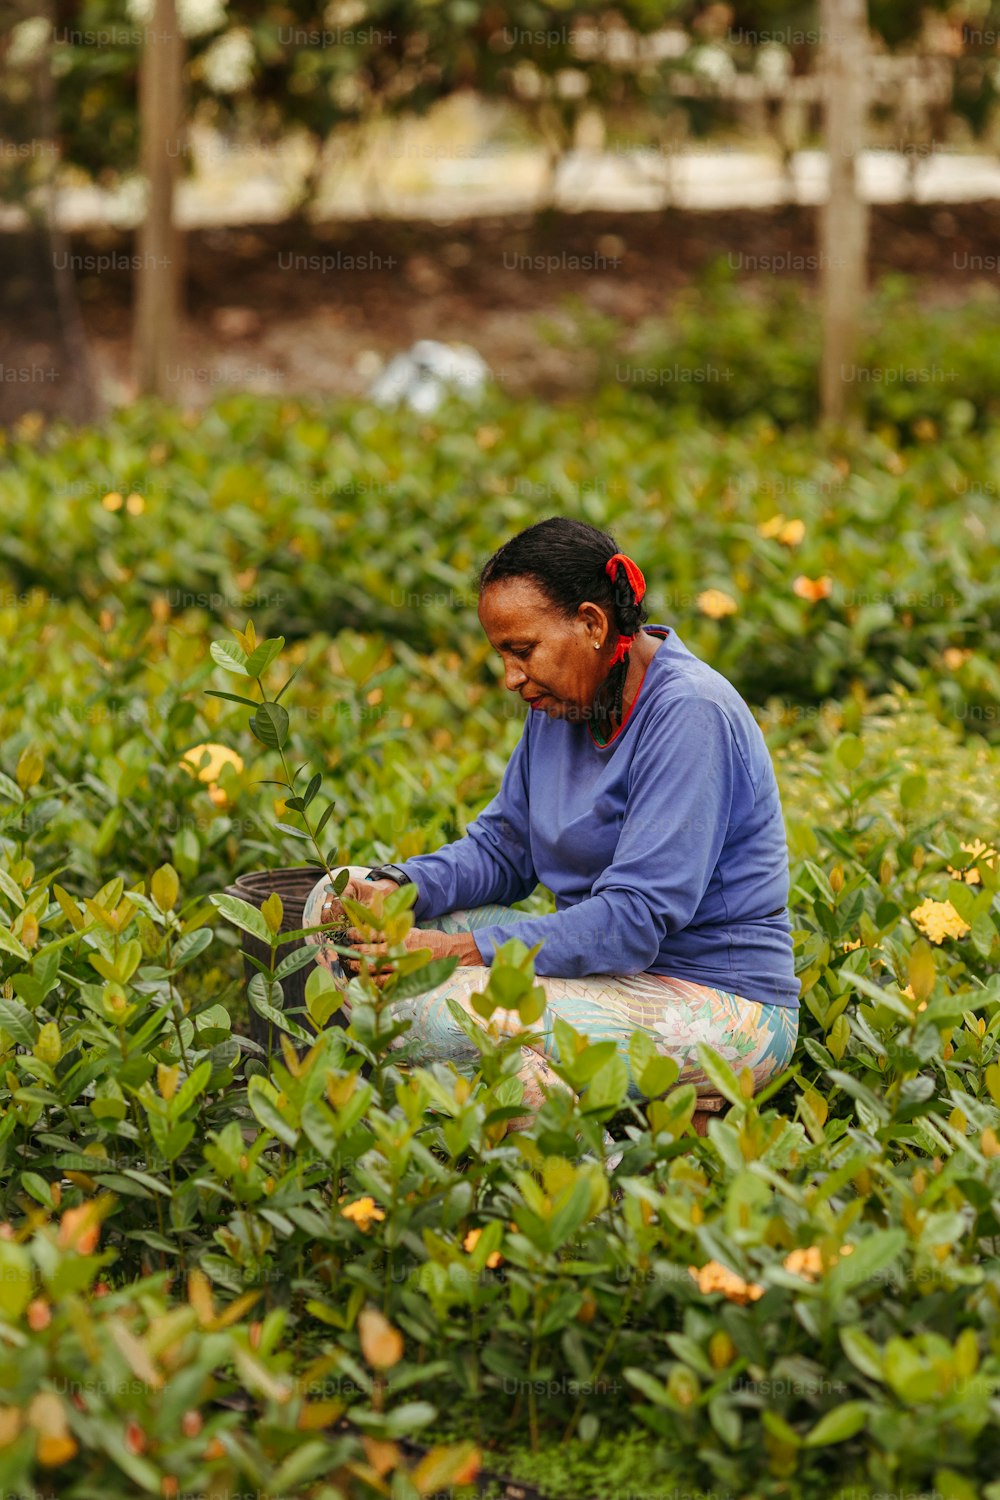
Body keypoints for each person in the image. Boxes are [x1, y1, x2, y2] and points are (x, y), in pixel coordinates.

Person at [308, 517, 799, 1117]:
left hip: (718, 1004)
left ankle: (591, 1193)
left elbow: (633, 920)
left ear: (592, 623)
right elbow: (504, 851)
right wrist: (398, 885)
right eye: (502, 656)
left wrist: (457, 950)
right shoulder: (564, 704)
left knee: (453, 1007)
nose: (512, 679)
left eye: (522, 650)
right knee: (334, 910)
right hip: (606, 975)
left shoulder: (690, 712)